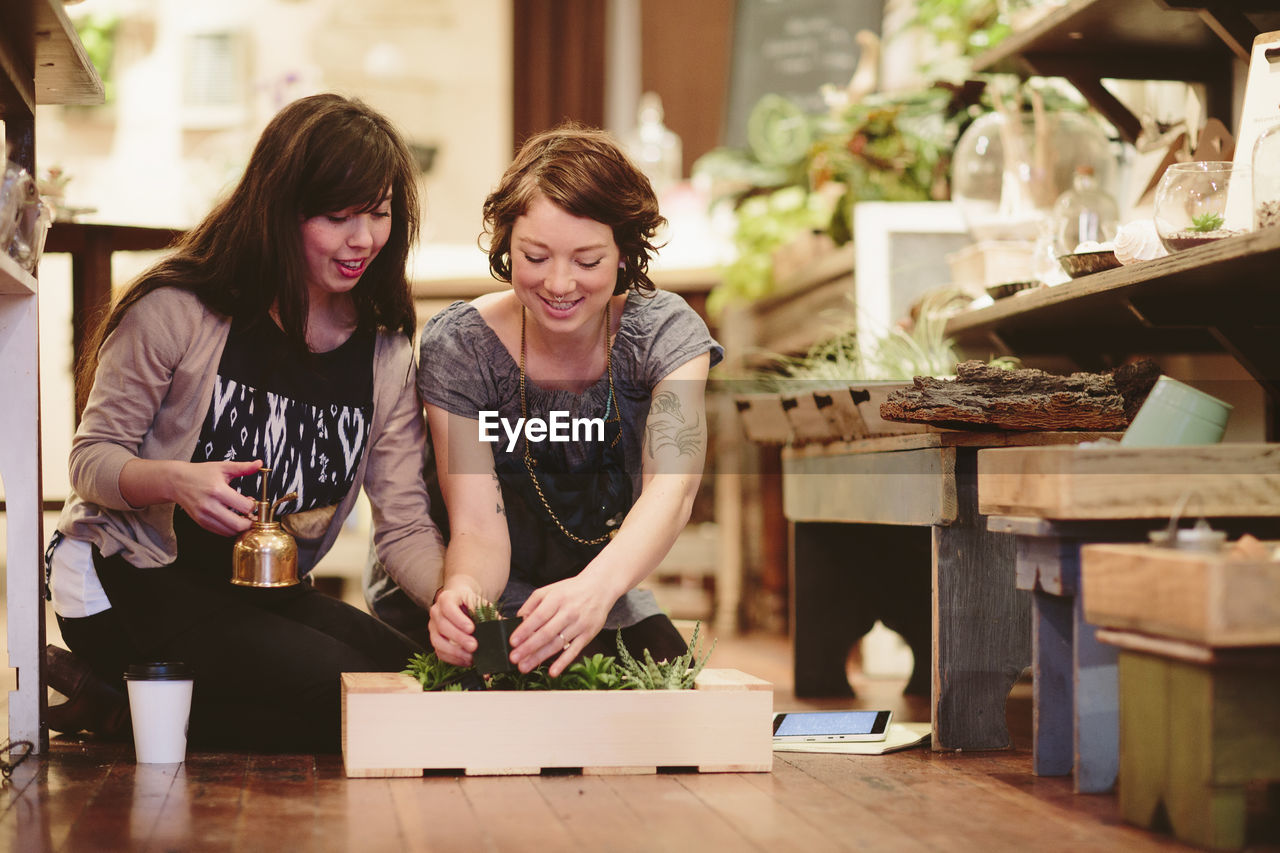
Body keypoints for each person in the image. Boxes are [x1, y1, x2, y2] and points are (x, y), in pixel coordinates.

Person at [45, 93, 444, 752]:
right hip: (133, 580)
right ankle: (126, 698)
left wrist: (459, 601)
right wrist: (175, 480)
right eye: (337, 216)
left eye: (378, 213)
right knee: (343, 703)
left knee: (411, 682)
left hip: (261, 591)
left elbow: (402, 523)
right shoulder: (176, 309)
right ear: (281, 210)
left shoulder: (384, 352)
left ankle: (130, 705)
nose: (363, 239)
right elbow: (91, 462)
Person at [366, 123, 722, 677]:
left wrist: (595, 591)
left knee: (666, 682)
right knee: (504, 691)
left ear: (625, 253)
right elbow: (477, 527)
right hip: (476, 582)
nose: (559, 284)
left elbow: (671, 494)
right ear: (507, 244)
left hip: (588, 588)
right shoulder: (461, 346)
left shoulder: (667, 335)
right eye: (535, 256)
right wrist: (462, 598)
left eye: (587, 261)